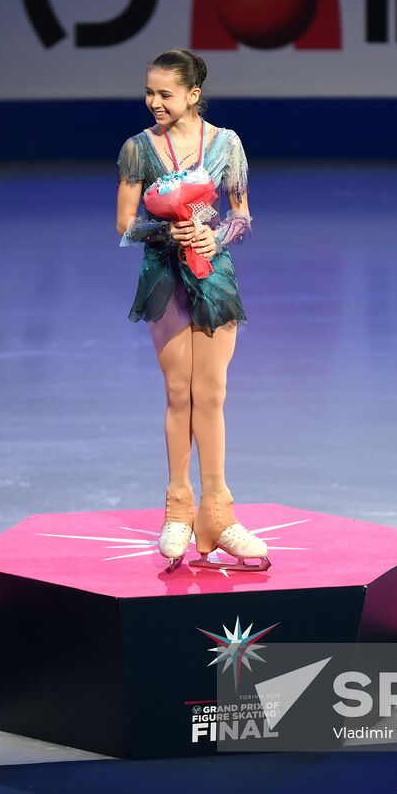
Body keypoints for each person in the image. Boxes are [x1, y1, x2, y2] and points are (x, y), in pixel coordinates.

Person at [115, 49, 268, 572]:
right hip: (164, 277)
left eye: (165, 94)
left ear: (192, 95)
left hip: (213, 275)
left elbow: (242, 217)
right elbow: (125, 224)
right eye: (149, 92)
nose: (153, 102)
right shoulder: (139, 150)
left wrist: (212, 232)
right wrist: (166, 229)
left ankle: (218, 514)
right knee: (180, 392)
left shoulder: (227, 145)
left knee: (214, 392)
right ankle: (178, 508)